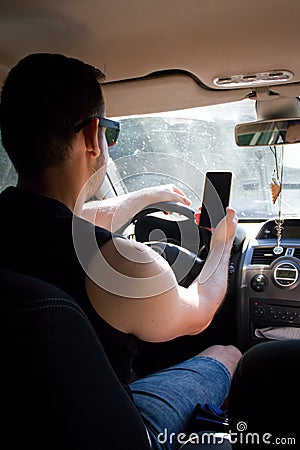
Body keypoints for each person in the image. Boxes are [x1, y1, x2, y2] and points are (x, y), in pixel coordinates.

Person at [0, 53, 241, 449]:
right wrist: (221, 246)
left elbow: (75, 216)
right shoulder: (122, 264)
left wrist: (149, 195)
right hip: (117, 434)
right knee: (227, 353)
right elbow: (198, 311)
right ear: (94, 136)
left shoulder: (14, 226)